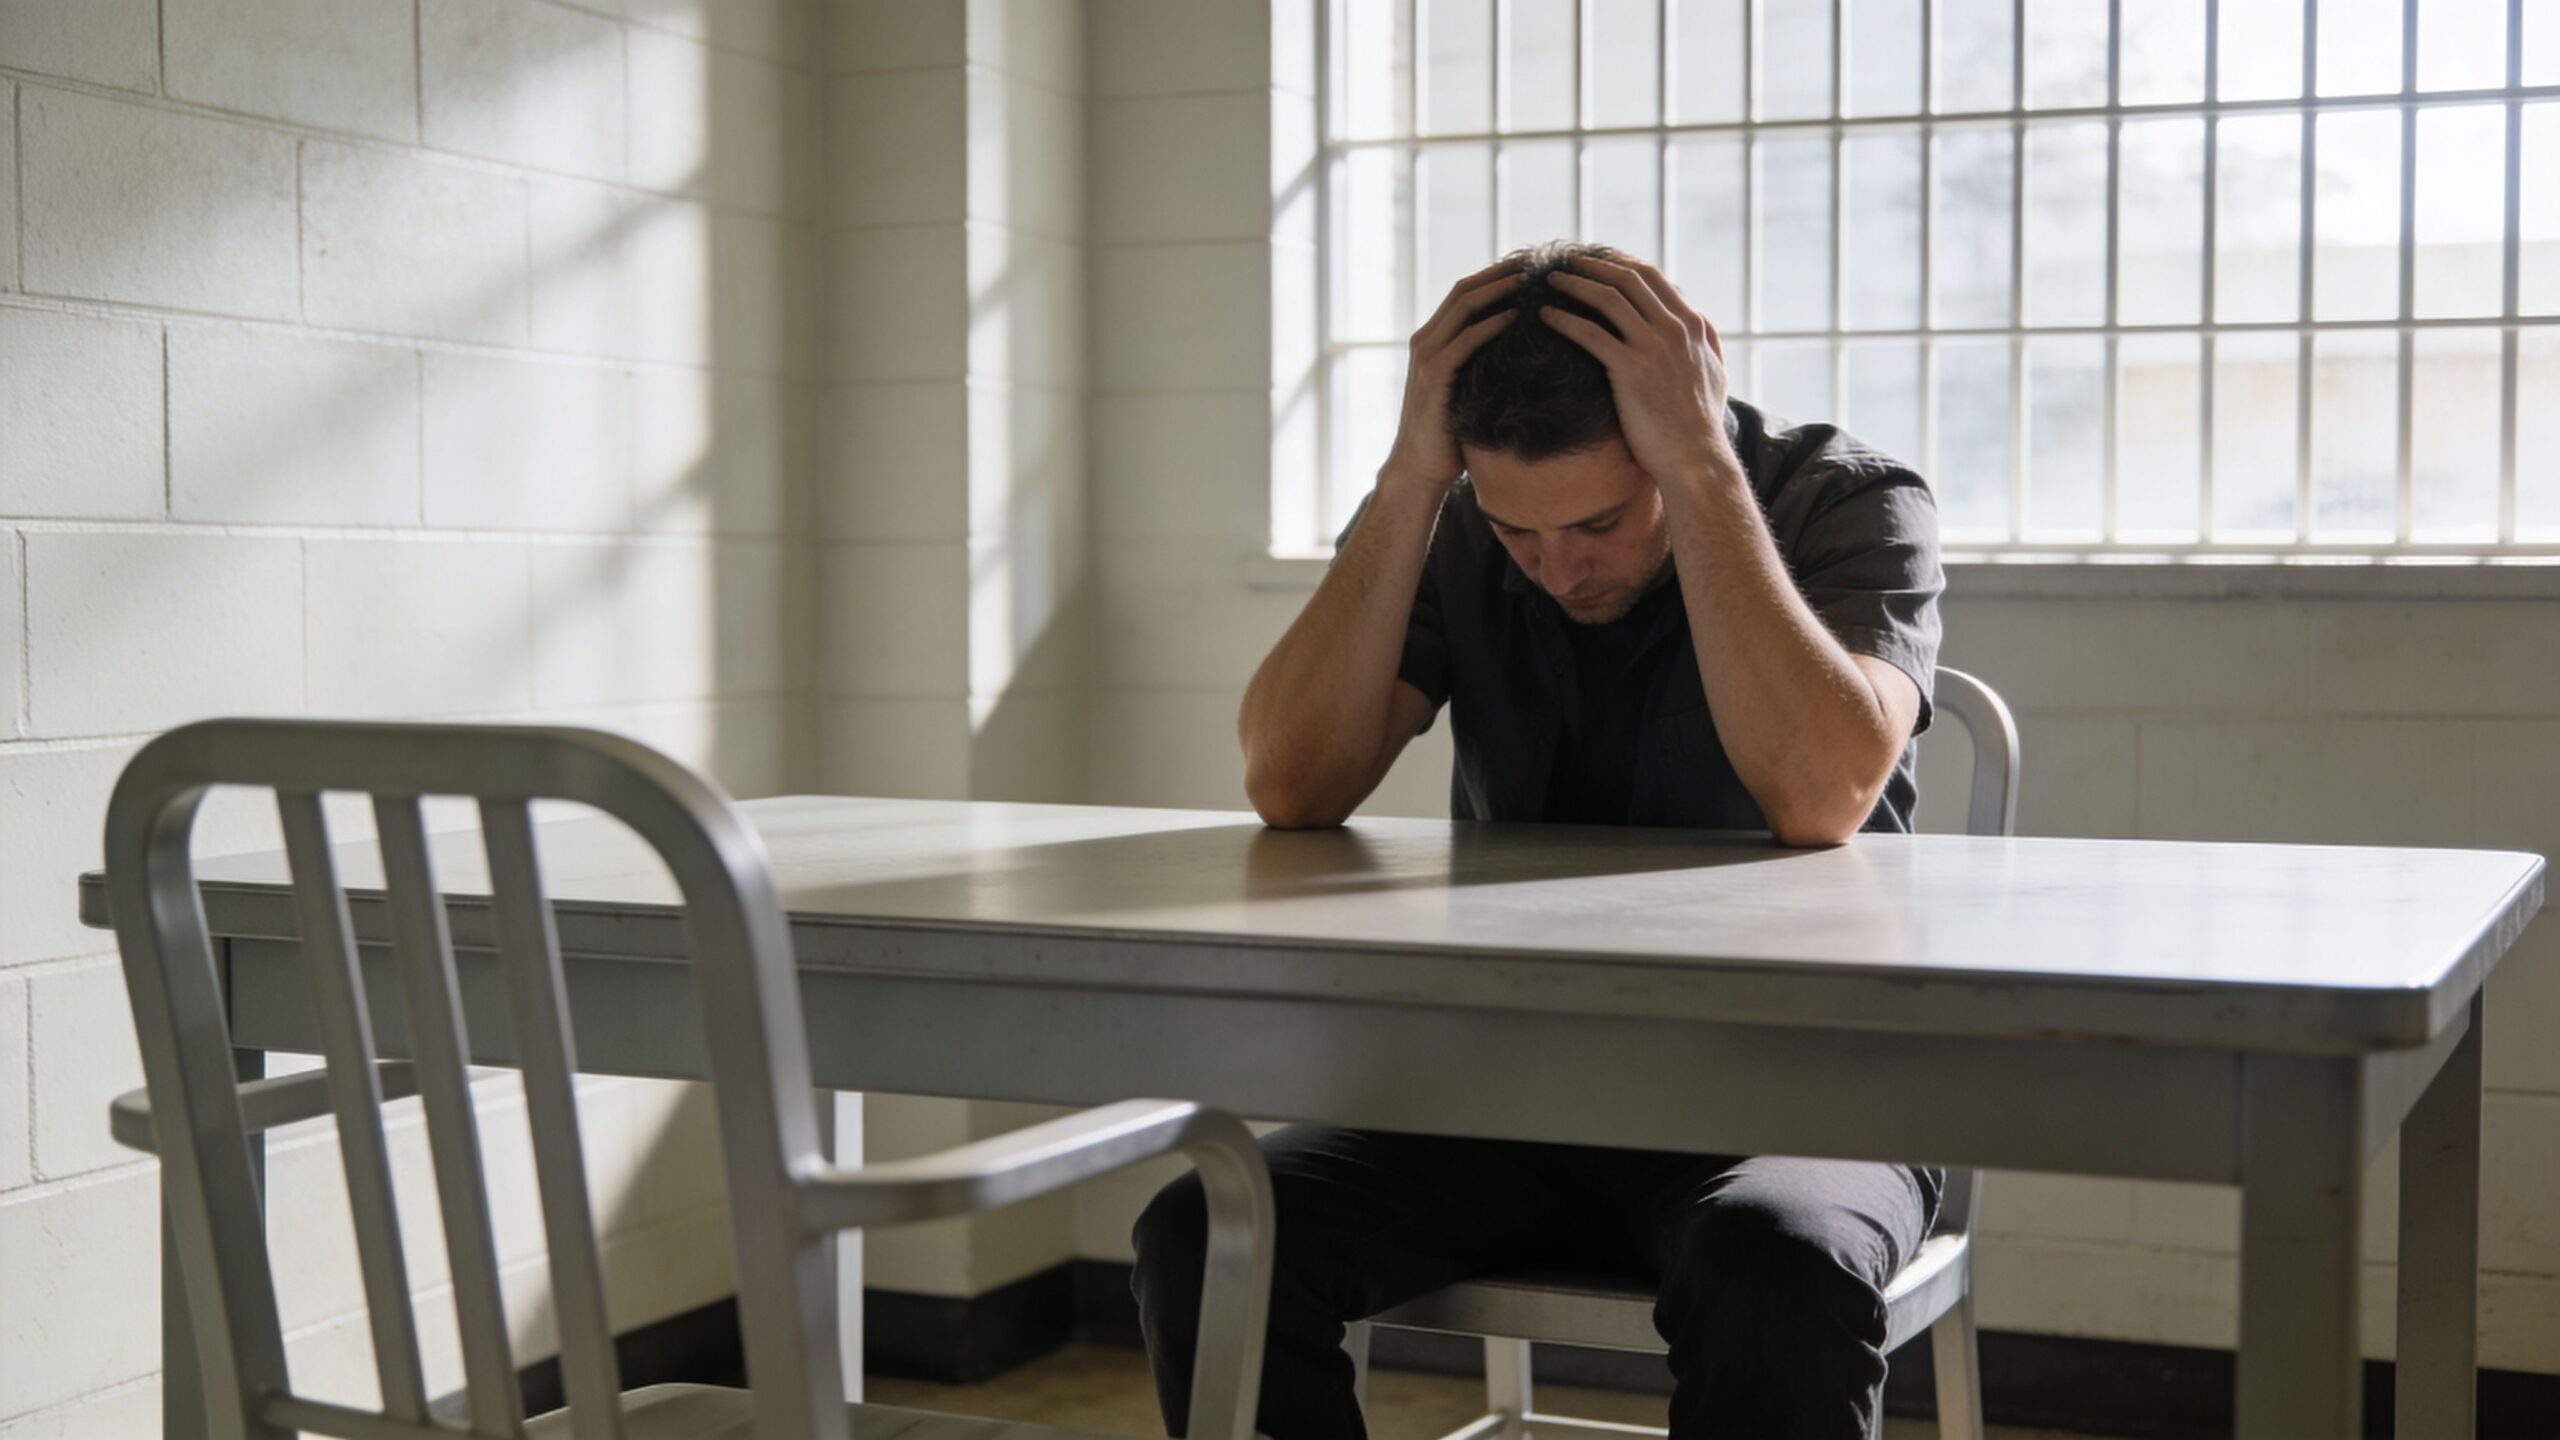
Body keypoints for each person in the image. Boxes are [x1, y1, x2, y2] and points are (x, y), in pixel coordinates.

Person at [1130, 241, 1948, 1440]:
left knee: (1770, 1262)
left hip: (1802, 1089)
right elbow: (1292, 783)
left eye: (1603, 522)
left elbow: (1818, 793)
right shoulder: (1461, 515)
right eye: (1522, 535)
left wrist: (1701, 468)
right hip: (1518, 1083)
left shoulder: (1848, 497)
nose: (1560, 569)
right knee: (1205, 1234)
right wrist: (1412, 479)